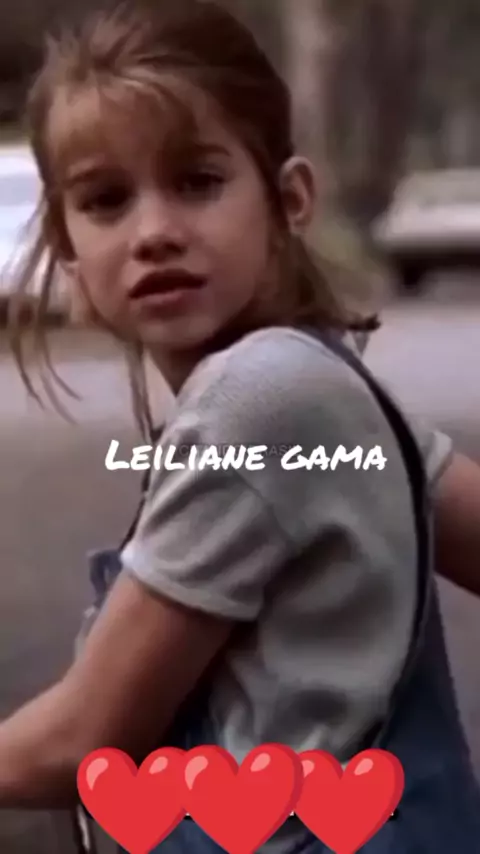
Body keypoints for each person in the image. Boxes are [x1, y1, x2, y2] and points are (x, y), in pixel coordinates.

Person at [1, 1, 480, 852]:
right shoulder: (323, 386)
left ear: (288, 199)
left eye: (198, 182)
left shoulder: (261, 398)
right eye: (107, 201)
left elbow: (82, 737)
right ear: (68, 249)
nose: (155, 233)